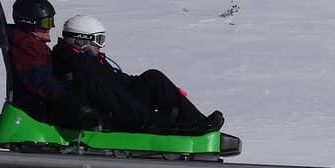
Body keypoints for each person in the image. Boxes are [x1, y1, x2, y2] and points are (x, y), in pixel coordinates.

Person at [51, 14, 224, 134]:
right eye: (98, 40)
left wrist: (165, 89)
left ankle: (197, 122)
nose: (100, 46)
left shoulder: (89, 61)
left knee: (153, 77)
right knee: (112, 88)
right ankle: (150, 123)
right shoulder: (71, 63)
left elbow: (117, 80)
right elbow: (105, 93)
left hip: (121, 104)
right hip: (113, 113)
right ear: (80, 40)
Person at [6, 0, 97, 128]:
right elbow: (42, 83)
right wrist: (78, 107)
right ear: (29, 23)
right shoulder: (27, 48)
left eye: (51, 22)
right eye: (45, 24)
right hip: (39, 107)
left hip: (44, 101)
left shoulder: (30, 44)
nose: (50, 28)